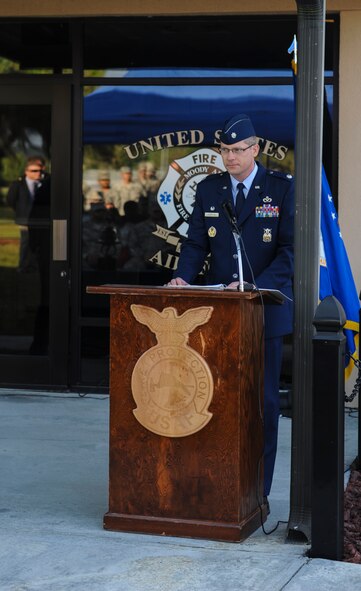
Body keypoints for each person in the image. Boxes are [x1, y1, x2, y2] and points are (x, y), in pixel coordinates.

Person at [168, 113, 294, 502]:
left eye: (238, 150)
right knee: (216, 399)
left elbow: (291, 252)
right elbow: (195, 246)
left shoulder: (281, 189)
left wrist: (255, 285)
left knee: (263, 403)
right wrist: (182, 279)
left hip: (263, 313)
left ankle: (259, 491)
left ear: (255, 150)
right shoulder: (210, 188)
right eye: (224, 150)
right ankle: (222, 485)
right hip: (221, 316)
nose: (229, 158)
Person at [6, 156, 46, 272]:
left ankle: (36, 265)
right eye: (34, 171)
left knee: (39, 244)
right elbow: (11, 200)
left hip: (41, 220)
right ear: (26, 171)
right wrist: (21, 212)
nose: (38, 173)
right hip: (25, 219)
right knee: (26, 243)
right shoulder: (18, 184)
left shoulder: (45, 183)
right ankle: (23, 265)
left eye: (40, 170)